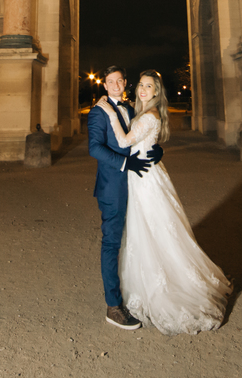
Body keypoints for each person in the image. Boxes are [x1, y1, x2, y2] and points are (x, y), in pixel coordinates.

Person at [99, 70, 231, 335]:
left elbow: (125, 140)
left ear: (157, 92)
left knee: (150, 231)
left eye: (149, 86)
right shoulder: (146, 112)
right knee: (149, 231)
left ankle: (159, 290)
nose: (143, 90)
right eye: (141, 85)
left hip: (144, 180)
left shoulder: (149, 115)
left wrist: (110, 114)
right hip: (145, 176)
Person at [88, 66, 163, 330]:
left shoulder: (132, 109)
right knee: (111, 243)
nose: (116, 84)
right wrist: (124, 164)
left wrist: (158, 150)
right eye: (111, 81)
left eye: (120, 80)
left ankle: (141, 293)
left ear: (125, 83)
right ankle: (113, 306)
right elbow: (94, 147)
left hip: (138, 185)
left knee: (141, 238)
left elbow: (142, 135)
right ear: (104, 85)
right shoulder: (98, 112)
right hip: (113, 187)